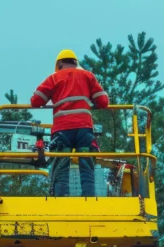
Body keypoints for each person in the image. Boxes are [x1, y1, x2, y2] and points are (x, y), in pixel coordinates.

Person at [30, 49, 109, 196]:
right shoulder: (88, 76)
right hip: (84, 129)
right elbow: (103, 101)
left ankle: (61, 199)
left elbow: (35, 101)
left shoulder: (54, 78)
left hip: (63, 130)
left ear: (59, 63)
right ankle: (89, 198)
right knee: (86, 166)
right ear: (75, 63)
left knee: (61, 167)